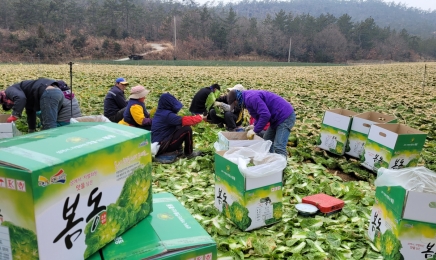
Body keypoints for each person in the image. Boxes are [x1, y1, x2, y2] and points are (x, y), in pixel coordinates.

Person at [228, 89, 296, 158]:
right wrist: (254, 125)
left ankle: (281, 167)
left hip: (285, 116)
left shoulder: (251, 98)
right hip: (276, 118)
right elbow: (258, 115)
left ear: (236, 100)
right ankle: (270, 161)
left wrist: (255, 130)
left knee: (279, 146)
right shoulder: (246, 99)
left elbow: (265, 115)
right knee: (267, 141)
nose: (236, 106)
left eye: (234, 104)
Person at [152, 92, 205, 159]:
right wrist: (200, 117)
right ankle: (189, 153)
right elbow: (185, 121)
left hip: (159, 143)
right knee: (187, 130)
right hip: (163, 146)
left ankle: (179, 150)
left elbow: (178, 121)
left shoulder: (161, 112)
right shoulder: (167, 115)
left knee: (179, 126)